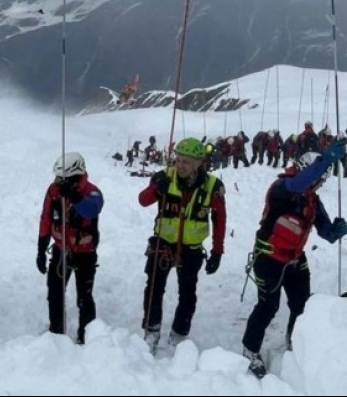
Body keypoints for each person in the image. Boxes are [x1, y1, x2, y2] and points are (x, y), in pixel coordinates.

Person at [241, 143, 347, 378]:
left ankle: (295, 342)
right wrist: (326, 160)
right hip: (269, 257)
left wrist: (337, 230)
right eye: (319, 179)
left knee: (301, 306)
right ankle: (250, 349)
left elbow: (326, 233)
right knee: (268, 306)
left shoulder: (312, 200)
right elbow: (297, 184)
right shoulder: (282, 188)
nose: (319, 185)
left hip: (295, 259)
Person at [138, 137, 227, 351]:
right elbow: (143, 200)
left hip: (192, 248)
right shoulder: (164, 177)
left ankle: (179, 332)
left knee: (187, 292)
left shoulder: (212, 187)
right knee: (153, 288)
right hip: (163, 243)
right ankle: (152, 329)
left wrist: (217, 252)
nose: (180, 165)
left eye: (186, 162)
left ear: (199, 163)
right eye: (178, 160)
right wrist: (156, 189)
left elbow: (220, 219)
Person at [36, 152, 104, 344]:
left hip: (85, 254)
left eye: (62, 178)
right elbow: (46, 218)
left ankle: (86, 336)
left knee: (84, 297)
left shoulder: (92, 192)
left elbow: (92, 209)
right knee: (55, 293)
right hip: (60, 251)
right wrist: (41, 249)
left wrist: (74, 197)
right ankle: (56, 333)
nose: (58, 181)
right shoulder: (53, 191)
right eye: (57, 178)